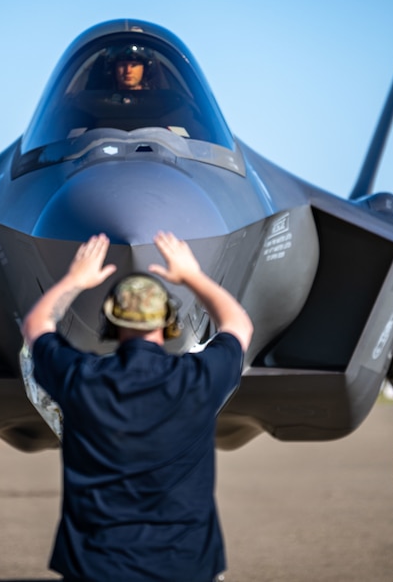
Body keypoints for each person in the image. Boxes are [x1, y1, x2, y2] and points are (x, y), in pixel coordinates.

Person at [22, 231, 253, 582]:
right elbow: (237, 325)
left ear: (111, 321)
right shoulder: (198, 379)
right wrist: (192, 276)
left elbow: (37, 326)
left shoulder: (81, 379)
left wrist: (75, 280)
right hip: (185, 565)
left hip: (96, 566)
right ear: (166, 321)